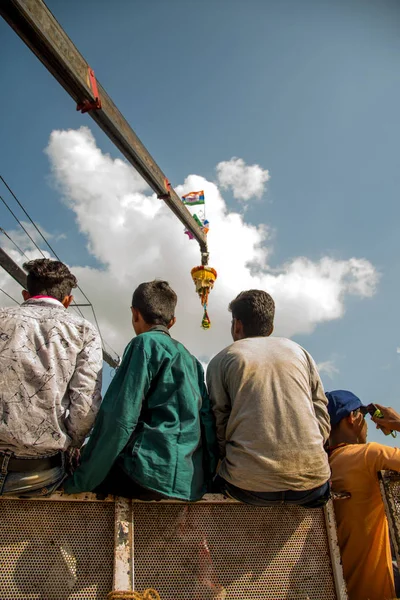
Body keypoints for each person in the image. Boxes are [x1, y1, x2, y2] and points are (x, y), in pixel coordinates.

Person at [64, 280, 218, 501]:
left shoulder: (143, 344)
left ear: (135, 314)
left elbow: (119, 420)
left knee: (68, 473)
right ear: (172, 322)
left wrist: (81, 480)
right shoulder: (191, 360)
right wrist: (208, 479)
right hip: (189, 482)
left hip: (146, 472)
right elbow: (207, 422)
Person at [206, 289, 331, 507]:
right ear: (270, 328)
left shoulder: (223, 359)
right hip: (313, 485)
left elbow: (219, 422)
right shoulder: (300, 352)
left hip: (247, 487)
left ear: (237, 325)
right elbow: (320, 410)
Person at [0, 258, 103, 497]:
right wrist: (73, 445)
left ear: (26, 294)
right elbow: (85, 408)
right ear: (68, 300)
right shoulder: (83, 330)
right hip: (39, 472)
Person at [326, 389, 400, 600]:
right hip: (375, 593)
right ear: (352, 418)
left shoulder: (321, 467)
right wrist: (397, 424)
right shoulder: (369, 455)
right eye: (364, 416)